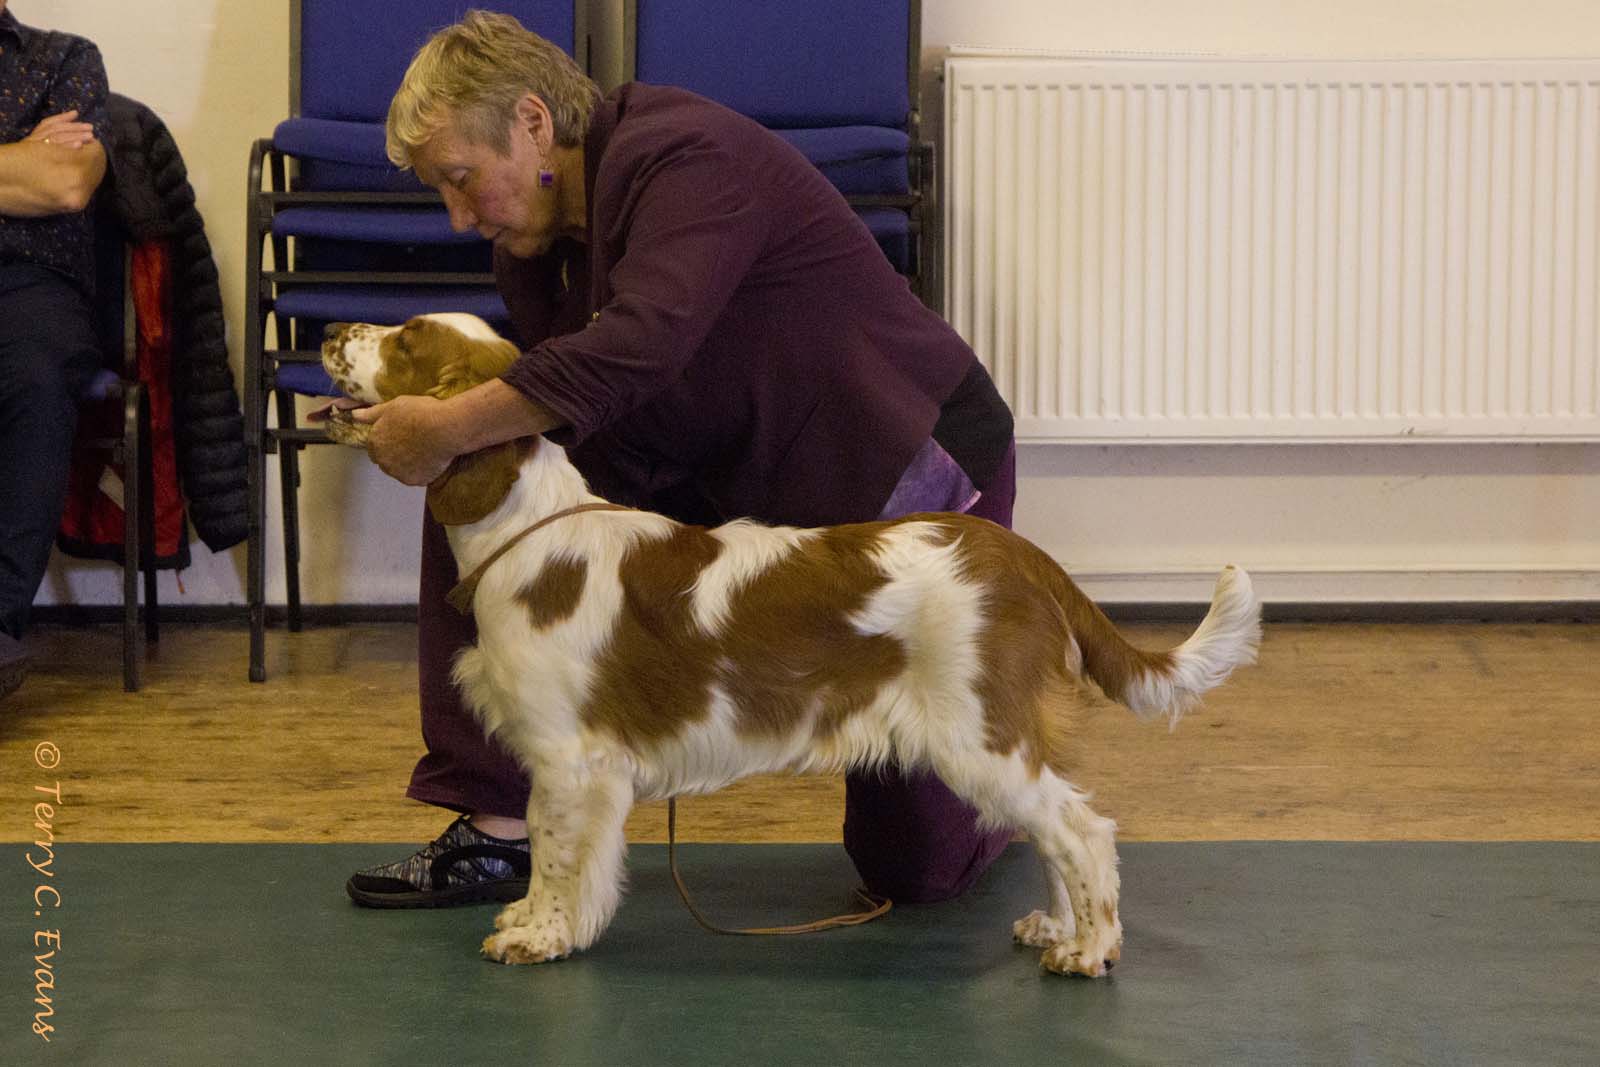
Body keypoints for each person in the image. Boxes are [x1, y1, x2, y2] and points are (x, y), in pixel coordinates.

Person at [342, 11, 1017, 909]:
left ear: (534, 123)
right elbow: (559, 413)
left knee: (916, 867)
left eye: (461, 180)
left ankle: (1015, 782)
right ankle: (496, 827)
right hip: (730, 474)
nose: (459, 217)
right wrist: (456, 440)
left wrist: (450, 422)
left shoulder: (687, 156)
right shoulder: (531, 239)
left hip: (895, 468)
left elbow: (637, 347)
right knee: (483, 482)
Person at [0, 2, 110, 702]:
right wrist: (18, 158)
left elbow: (66, 183)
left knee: (35, 379)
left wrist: (39, 169)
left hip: (29, 287)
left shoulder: (63, 59)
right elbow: (35, 177)